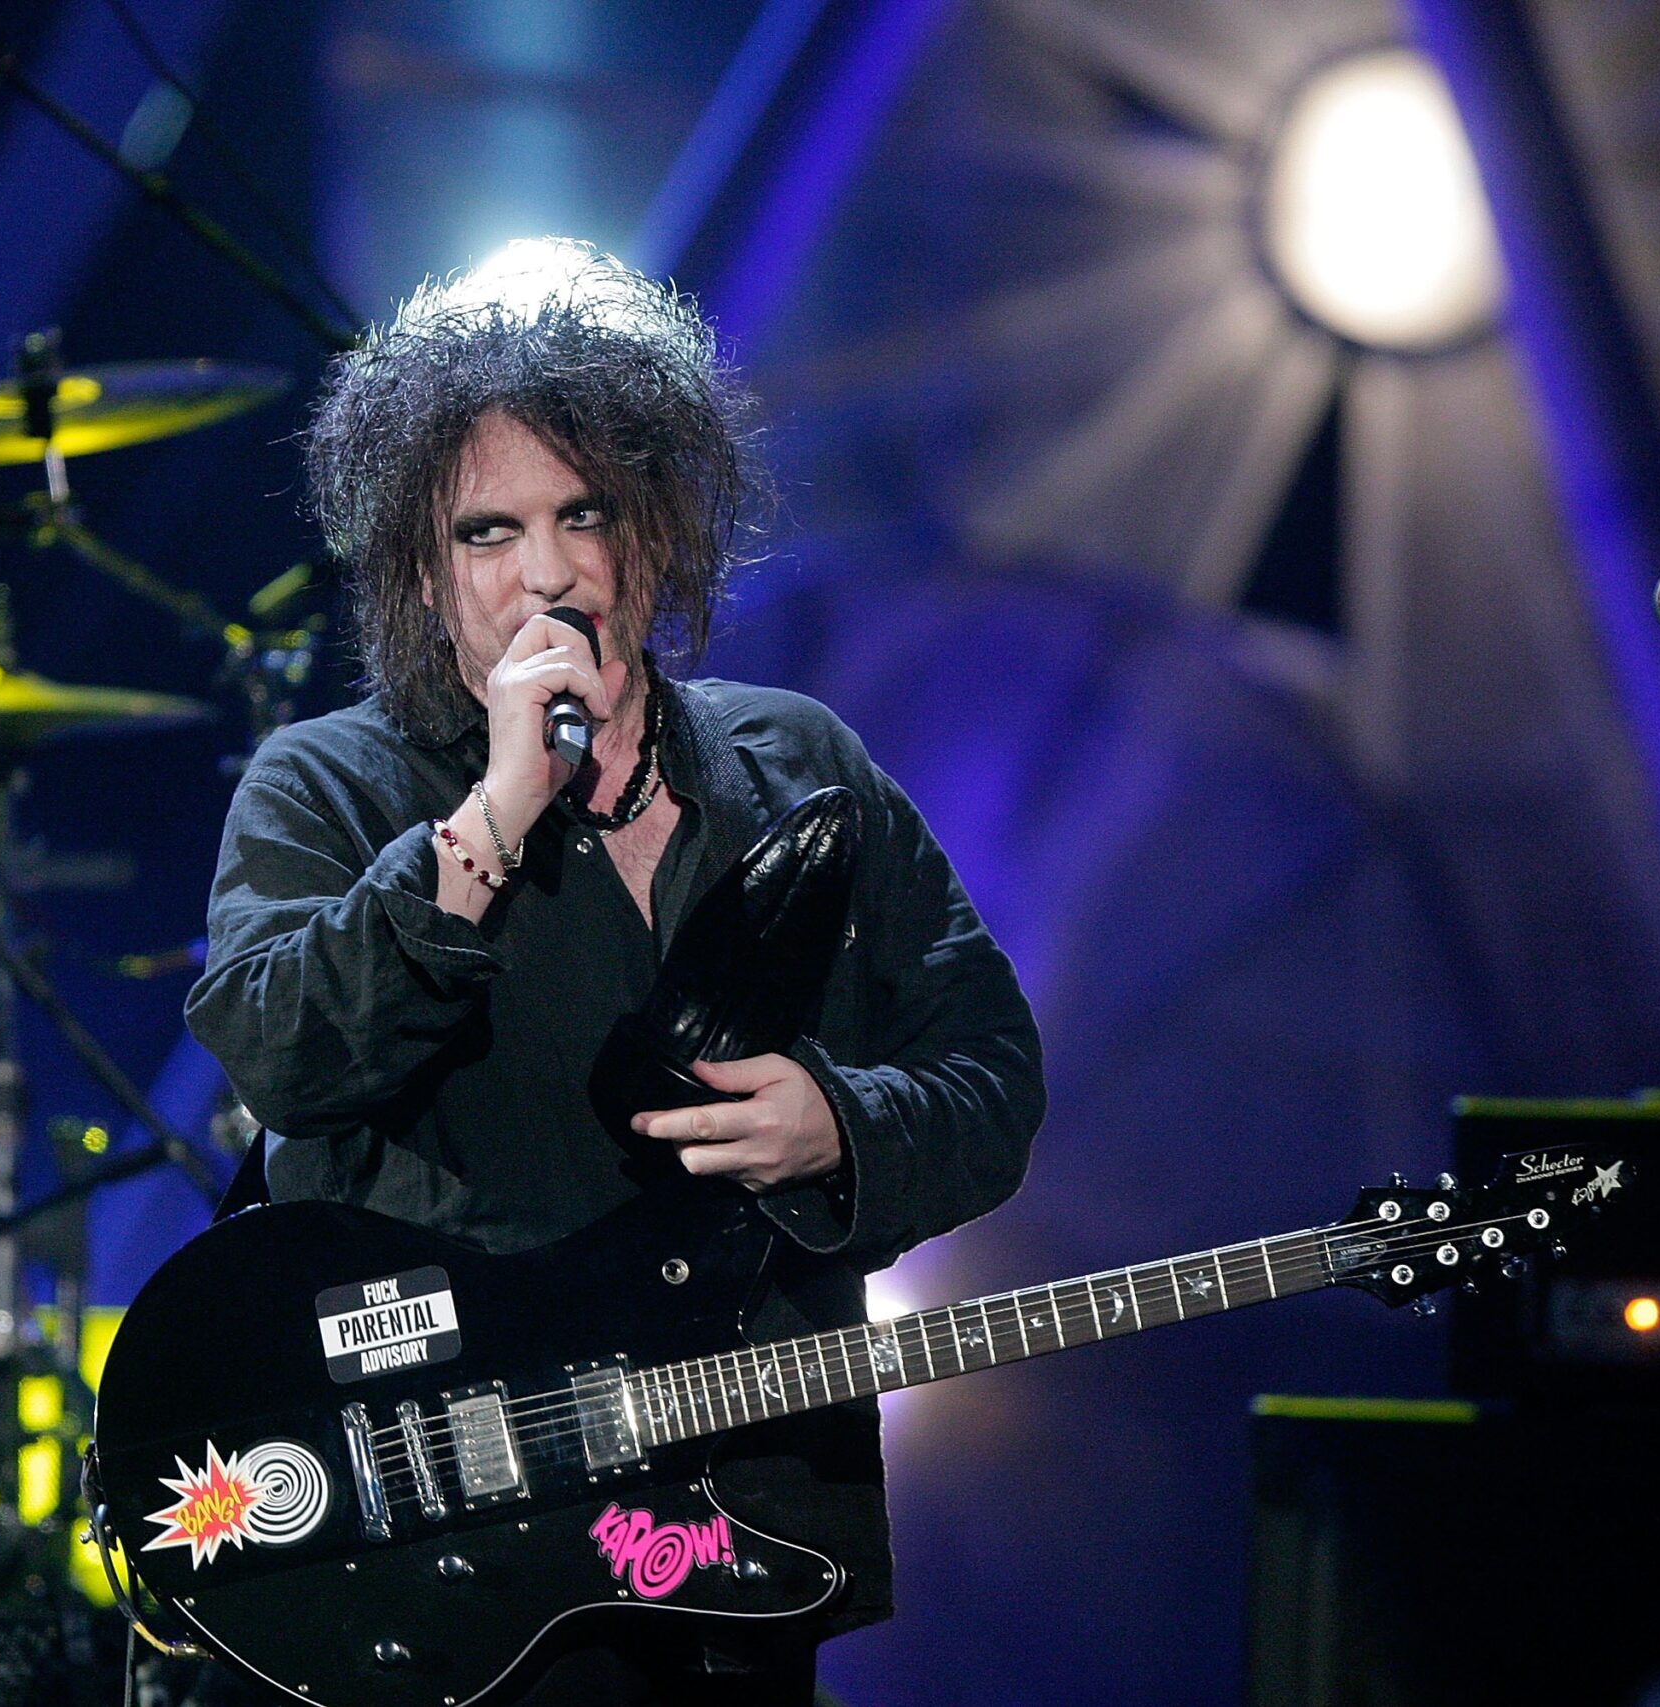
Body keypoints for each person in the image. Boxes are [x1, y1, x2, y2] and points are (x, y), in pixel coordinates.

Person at [185, 238, 1045, 1703]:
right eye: (487, 531)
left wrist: (841, 1126)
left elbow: (993, 1072)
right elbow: (281, 1056)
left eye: (585, 511)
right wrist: (493, 815)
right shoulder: (327, 787)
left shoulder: (799, 768)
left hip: (748, 1527)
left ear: (654, 524)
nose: (548, 571)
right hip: (450, 1551)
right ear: (417, 568)